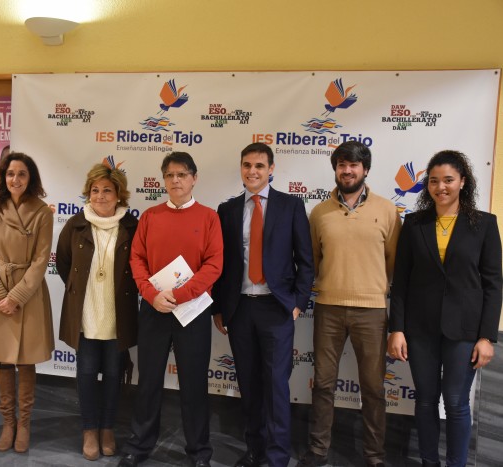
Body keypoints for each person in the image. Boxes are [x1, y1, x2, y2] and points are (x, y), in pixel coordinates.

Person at [388, 150, 502, 467]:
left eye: (448, 180)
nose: (441, 187)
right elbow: (401, 281)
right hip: (420, 329)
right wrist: (396, 328)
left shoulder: (485, 225)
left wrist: (487, 337)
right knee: (424, 401)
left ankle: (456, 463)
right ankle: (429, 462)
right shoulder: (414, 224)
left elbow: (493, 285)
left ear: (463, 182)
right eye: (434, 181)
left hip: (464, 329)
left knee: (454, 402)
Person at [298, 141, 401, 467]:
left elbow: (394, 264)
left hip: (371, 311)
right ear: (336, 169)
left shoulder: (386, 210)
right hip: (328, 307)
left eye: (353, 165)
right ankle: (317, 452)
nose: (347, 170)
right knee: (324, 385)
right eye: (342, 165)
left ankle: (374, 456)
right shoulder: (319, 212)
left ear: (365, 169)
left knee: (372, 388)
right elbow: (312, 261)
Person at [212, 142, 313, 467]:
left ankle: (277, 456)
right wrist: (218, 307)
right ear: (241, 168)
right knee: (250, 384)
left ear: (271, 169)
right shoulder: (227, 210)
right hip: (240, 309)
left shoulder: (290, 206)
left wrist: (297, 302)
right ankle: (255, 450)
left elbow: (306, 261)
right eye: (246, 165)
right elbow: (221, 264)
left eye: (259, 165)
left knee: (276, 387)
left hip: (276, 308)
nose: (252, 171)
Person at [119, 152, 223, 467]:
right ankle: (139, 446)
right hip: (154, 310)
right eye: (170, 175)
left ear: (194, 178)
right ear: (163, 180)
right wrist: (151, 295)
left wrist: (179, 294)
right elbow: (137, 259)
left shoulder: (209, 217)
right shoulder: (150, 216)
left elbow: (214, 264)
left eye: (182, 174)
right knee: (148, 380)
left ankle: (199, 453)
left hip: (191, 311)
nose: (175, 180)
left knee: (194, 384)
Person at [57, 163, 139, 461]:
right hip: (86, 316)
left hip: (118, 316)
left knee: (115, 373)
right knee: (88, 374)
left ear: (119, 194)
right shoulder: (76, 225)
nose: (101, 196)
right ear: (88, 193)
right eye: (95, 190)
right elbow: (65, 265)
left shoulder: (132, 227)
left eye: (107, 190)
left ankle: (107, 428)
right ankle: (89, 430)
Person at [0, 152, 55, 453]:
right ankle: (7, 423)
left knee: (25, 360)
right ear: (3, 177)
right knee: (3, 360)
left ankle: (24, 424)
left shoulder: (42, 212)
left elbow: (40, 260)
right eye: (11, 173)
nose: (16, 179)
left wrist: (17, 297)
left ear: (30, 178)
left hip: (29, 295)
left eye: (22, 174)